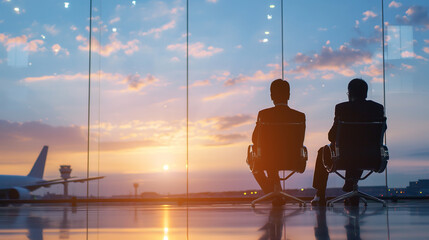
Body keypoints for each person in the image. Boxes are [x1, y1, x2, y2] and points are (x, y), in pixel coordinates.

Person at [311, 78, 387, 206]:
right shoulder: (377, 108)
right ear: (366, 93)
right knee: (360, 149)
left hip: (344, 158)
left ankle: (320, 195)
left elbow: (331, 137)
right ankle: (351, 187)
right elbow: (381, 131)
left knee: (323, 151)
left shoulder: (342, 108)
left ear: (350, 93)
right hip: (372, 157)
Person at [251, 79, 306, 205]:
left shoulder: (264, 114)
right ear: (289, 95)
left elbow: (254, 139)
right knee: (273, 154)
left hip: (267, 159)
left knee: (257, 154)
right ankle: (277, 194)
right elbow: (300, 139)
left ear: (271, 96)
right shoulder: (299, 116)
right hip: (294, 159)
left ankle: (273, 193)